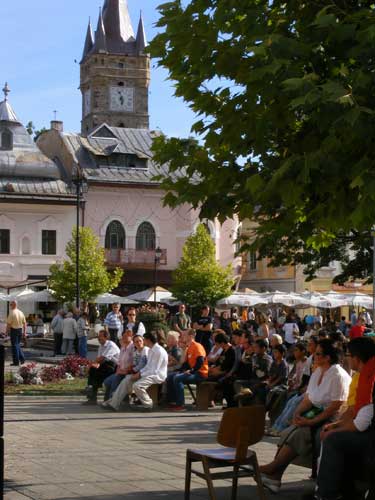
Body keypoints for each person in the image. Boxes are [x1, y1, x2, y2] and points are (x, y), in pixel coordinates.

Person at [258, 339, 351, 494]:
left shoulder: (337, 375)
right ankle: (275, 476)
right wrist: (297, 413)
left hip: (333, 417)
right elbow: (309, 398)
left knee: (300, 433)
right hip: (315, 412)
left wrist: (312, 420)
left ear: (328, 357)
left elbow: (336, 406)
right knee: (290, 430)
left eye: (318, 354)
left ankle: (273, 470)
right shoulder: (318, 372)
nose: (313, 356)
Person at [314, 337, 375, 500]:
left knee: (333, 439)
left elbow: (361, 423)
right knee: (331, 433)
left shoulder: (370, 377)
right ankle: (340, 489)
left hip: (371, 434)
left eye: (348, 355)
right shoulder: (365, 374)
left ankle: (326, 494)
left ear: (357, 358)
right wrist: (336, 425)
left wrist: (336, 429)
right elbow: (357, 411)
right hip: (368, 429)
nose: (346, 358)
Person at [102, 334, 149, 411]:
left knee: (123, 380)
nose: (138, 343)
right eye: (136, 342)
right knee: (122, 381)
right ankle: (113, 402)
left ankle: (113, 402)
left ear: (143, 341)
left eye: (140, 341)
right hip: (136, 373)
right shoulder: (136, 352)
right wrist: (126, 371)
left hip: (144, 374)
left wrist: (128, 371)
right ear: (134, 343)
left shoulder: (145, 350)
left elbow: (142, 365)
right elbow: (133, 364)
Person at [167, 329, 208, 411]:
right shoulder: (189, 347)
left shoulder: (197, 346)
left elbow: (200, 361)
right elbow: (187, 364)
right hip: (194, 372)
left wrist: (191, 371)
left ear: (191, 336)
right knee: (171, 376)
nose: (182, 337)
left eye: (184, 335)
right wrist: (180, 370)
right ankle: (173, 401)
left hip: (200, 374)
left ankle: (180, 404)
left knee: (178, 378)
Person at [128, 331, 168, 410]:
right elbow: (148, 366)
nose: (143, 341)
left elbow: (154, 370)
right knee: (128, 379)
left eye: (144, 339)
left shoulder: (158, 351)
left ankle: (148, 405)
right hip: (150, 374)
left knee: (137, 386)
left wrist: (140, 374)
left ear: (148, 340)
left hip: (158, 376)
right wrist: (139, 373)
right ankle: (128, 400)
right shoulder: (150, 350)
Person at [84, 330, 120, 405]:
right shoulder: (101, 346)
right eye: (98, 336)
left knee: (94, 371)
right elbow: (98, 360)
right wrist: (92, 366)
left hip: (116, 367)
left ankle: (92, 392)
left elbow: (102, 358)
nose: (98, 338)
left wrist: (90, 365)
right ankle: (92, 392)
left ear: (106, 337)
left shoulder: (111, 345)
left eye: (100, 336)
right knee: (93, 370)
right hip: (106, 365)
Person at [102, 330, 134, 400]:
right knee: (107, 381)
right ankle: (108, 400)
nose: (123, 338)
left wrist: (123, 372)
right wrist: (118, 371)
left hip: (128, 373)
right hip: (121, 372)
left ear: (131, 337)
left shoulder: (133, 347)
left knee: (115, 381)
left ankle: (112, 400)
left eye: (126, 336)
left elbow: (133, 363)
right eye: (123, 336)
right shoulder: (123, 347)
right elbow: (119, 363)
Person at [6, 300, 26, 366]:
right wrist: (24, 332)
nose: (10, 306)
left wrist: (6, 332)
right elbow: (25, 323)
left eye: (11, 304)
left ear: (14, 305)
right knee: (17, 345)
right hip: (20, 330)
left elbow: (8, 324)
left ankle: (16, 362)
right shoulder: (21, 312)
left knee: (14, 346)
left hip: (14, 330)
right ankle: (22, 359)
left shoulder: (12, 313)